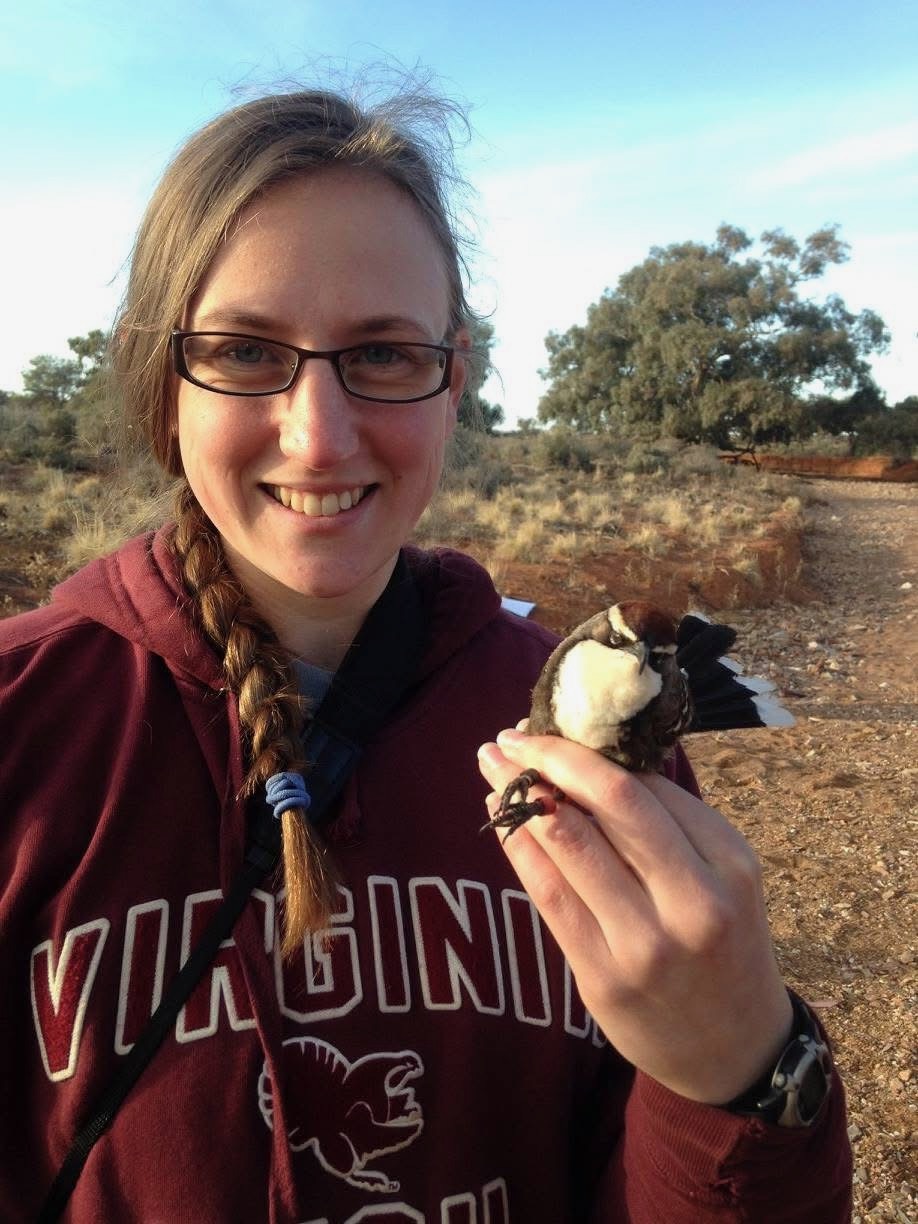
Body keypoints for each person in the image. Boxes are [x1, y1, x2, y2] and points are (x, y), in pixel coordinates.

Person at [0, 85, 851, 1222]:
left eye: (386, 355)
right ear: (165, 382)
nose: (319, 434)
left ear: (457, 378)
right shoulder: (25, 730)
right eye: (245, 349)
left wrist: (746, 1075)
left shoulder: (572, 732)